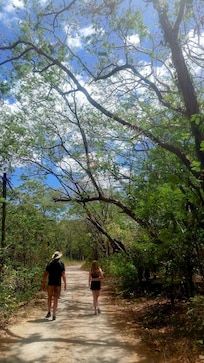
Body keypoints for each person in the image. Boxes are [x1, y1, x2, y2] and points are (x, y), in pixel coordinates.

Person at [41, 251, 66, 321]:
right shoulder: (61, 264)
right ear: (59, 257)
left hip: (50, 283)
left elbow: (45, 274)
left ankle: (49, 311)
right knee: (55, 299)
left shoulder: (49, 264)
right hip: (58, 283)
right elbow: (63, 275)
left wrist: (43, 283)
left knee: (49, 298)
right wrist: (65, 284)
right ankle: (54, 314)